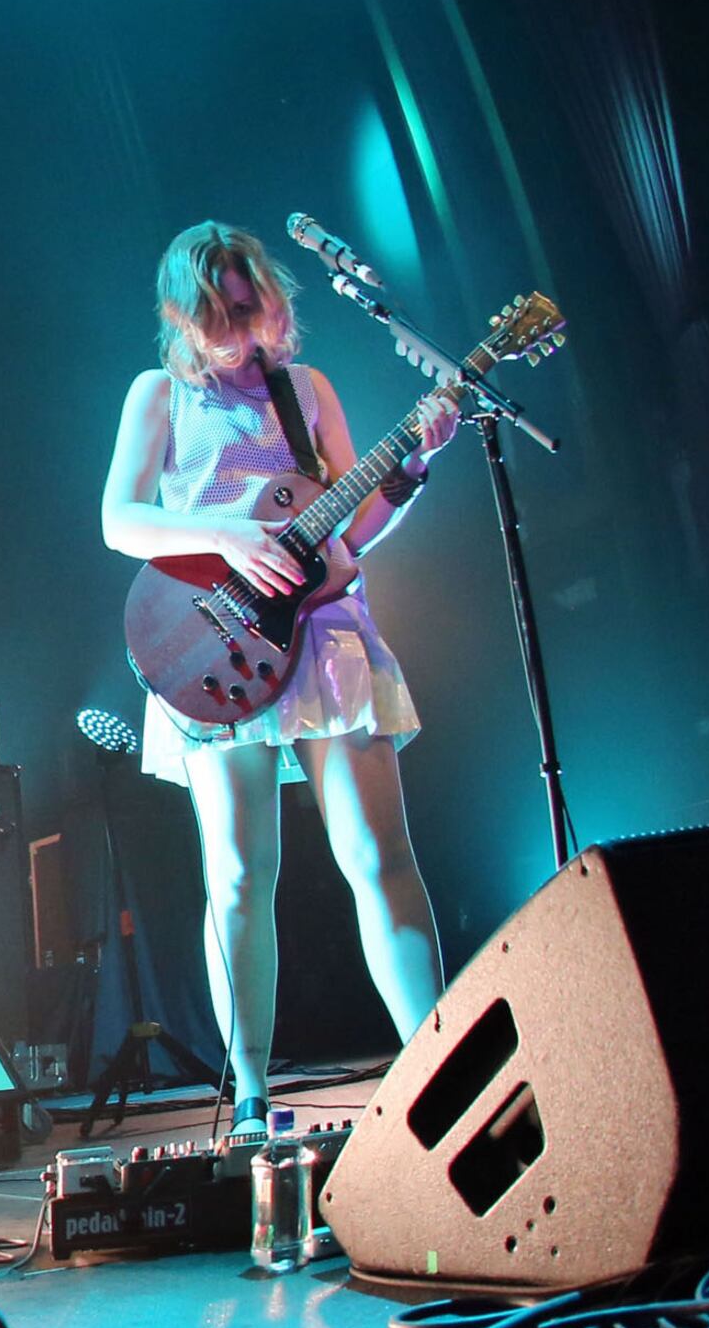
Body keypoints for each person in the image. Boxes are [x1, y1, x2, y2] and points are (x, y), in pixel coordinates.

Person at [99, 221, 459, 1126]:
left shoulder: (307, 391)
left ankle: (437, 1075)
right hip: (215, 640)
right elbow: (119, 521)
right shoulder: (159, 395)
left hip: (325, 631)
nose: (233, 326)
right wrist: (225, 532)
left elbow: (352, 532)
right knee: (238, 876)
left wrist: (412, 466)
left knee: (383, 858)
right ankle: (252, 1096)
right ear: (182, 312)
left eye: (246, 305)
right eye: (214, 311)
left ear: (269, 300)